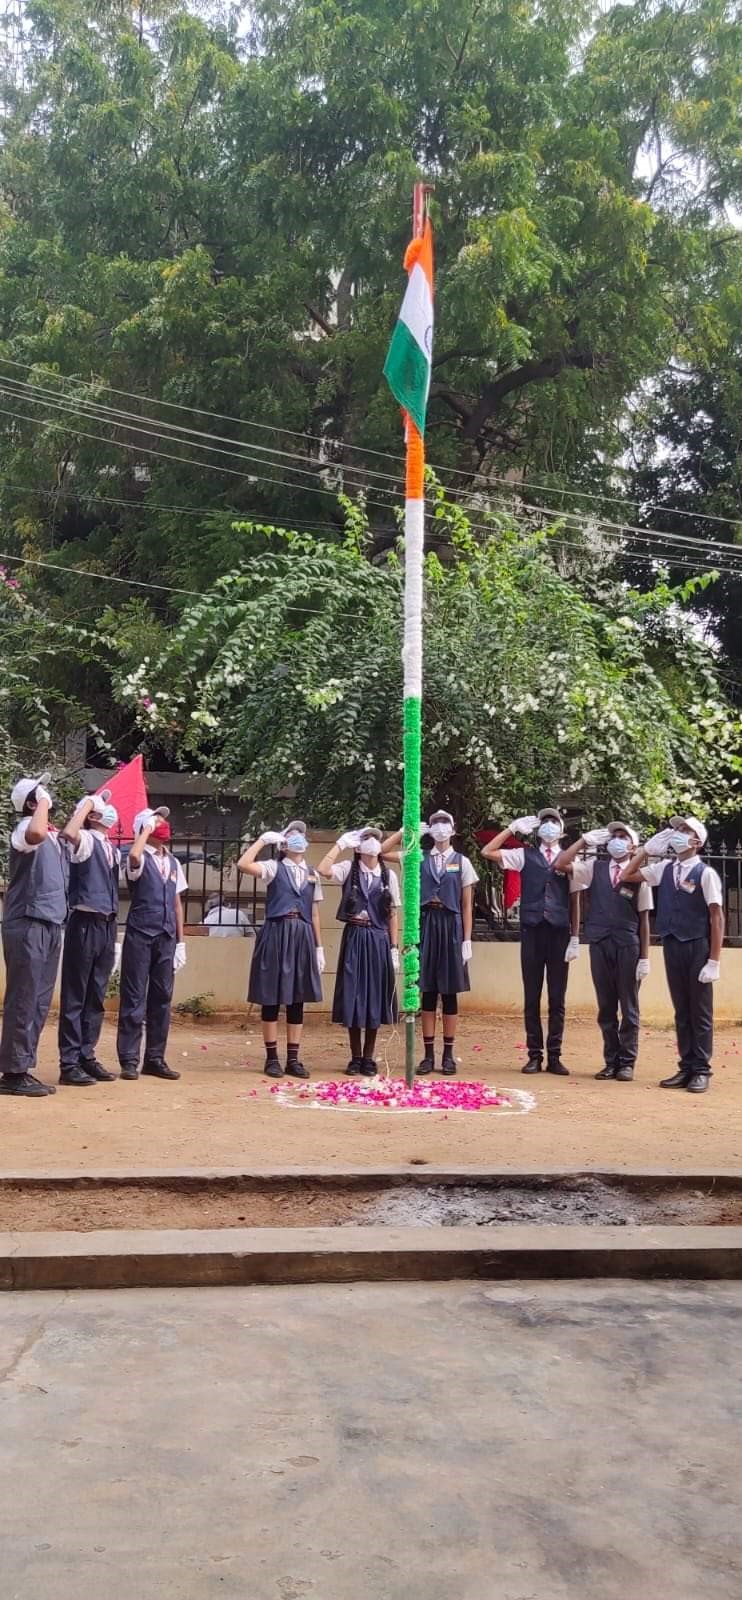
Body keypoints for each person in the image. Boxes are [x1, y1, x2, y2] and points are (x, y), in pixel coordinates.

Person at [0, 774, 91, 1098]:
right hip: (28, 922)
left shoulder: (52, 836)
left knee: (38, 1001)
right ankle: (12, 1073)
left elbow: (66, 837)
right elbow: (36, 832)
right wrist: (40, 803)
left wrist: (84, 809)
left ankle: (22, 1067)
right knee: (24, 998)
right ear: (31, 802)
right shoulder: (25, 827)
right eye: (41, 793)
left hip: (50, 923)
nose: (48, 796)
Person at [620, 816, 723, 1094]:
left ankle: (701, 1069)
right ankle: (686, 1066)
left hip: (697, 945)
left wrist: (714, 960)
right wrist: (645, 850)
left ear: (697, 841)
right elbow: (626, 876)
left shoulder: (705, 873)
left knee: (699, 1011)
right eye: (678, 829)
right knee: (681, 1010)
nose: (678, 833)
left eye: (685, 830)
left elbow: (716, 916)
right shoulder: (664, 868)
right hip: (672, 943)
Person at [482, 808, 580, 1075]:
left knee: (557, 998)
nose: (548, 825)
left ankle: (555, 1056)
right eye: (544, 821)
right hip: (532, 931)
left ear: (562, 830)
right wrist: (511, 829)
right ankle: (534, 1055)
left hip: (559, 932)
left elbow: (575, 899)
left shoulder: (568, 858)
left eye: (553, 821)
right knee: (532, 995)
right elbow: (487, 851)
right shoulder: (524, 855)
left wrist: (575, 936)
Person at [554, 822, 652, 1081]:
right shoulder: (594, 868)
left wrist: (645, 957)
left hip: (627, 945)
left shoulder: (638, 876)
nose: (616, 840)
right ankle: (611, 1061)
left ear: (633, 847)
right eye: (614, 836)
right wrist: (583, 842)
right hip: (599, 942)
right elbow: (560, 864)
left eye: (623, 837)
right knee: (606, 1006)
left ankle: (627, 1062)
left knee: (629, 1006)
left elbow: (644, 920)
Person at [382, 810, 477, 1075]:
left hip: (450, 925)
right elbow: (381, 852)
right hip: (425, 924)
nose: (440, 827)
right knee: (427, 991)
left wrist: (467, 939)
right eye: (435, 823)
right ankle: (427, 1055)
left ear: (453, 830)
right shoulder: (418, 856)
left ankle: (448, 1054)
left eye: (445, 823)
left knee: (449, 993)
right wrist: (405, 833)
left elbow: (466, 905)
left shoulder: (462, 862)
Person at [238, 821, 324, 1079]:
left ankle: (293, 1059)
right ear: (283, 844)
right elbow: (243, 864)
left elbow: (315, 913)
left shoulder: (312, 873)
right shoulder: (273, 867)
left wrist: (319, 946)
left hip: (302, 935)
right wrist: (262, 841)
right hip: (277, 932)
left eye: (301, 834)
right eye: (292, 834)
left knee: (298, 997)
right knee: (271, 996)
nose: (298, 838)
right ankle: (272, 1058)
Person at [318, 827, 400, 1076]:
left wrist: (394, 947)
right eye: (366, 839)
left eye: (375, 838)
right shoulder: (348, 869)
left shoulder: (388, 875)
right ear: (358, 846)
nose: (372, 843)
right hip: (355, 936)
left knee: (374, 996)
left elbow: (392, 914)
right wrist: (340, 844)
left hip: (377, 938)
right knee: (353, 995)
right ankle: (355, 1057)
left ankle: (369, 1057)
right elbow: (323, 869)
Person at [116, 807, 187, 1081]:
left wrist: (181, 942)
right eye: (156, 820)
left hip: (166, 937)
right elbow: (134, 857)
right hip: (141, 934)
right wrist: (144, 831)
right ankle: (129, 1059)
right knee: (134, 997)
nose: (163, 823)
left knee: (162, 999)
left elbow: (177, 904)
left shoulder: (174, 862)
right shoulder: (138, 856)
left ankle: (155, 1058)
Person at [57, 792, 121, 1086]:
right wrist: (86, 805)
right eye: (102, 809)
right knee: (76, 995)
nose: (110, 813)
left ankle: (87, 1055)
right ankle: (69, 1062)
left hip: (107, 924)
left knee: (96, 995)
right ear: (92, 816)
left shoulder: (112, 849)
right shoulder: (84, 840)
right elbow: (68, 832)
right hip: (84, 922)